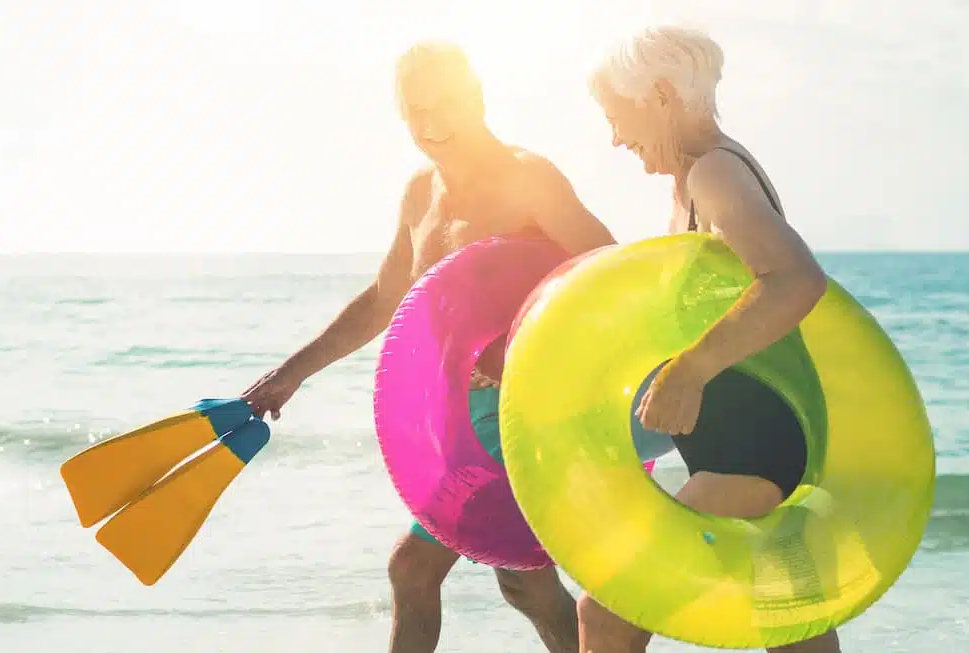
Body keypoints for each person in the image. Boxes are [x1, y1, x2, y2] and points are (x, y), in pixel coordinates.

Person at [240, 41, 618, 653]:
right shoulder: (421, 192)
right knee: (523, 584)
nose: (433, 124)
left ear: (478, 96)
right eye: (417, 111)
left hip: (525, 412)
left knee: (413, 568)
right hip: (456, 415)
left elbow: (607, 276)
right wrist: (291, 374)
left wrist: (514, 348)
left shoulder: (528, 178)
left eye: (447, 105)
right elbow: (387, 299)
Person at [576, 25, 842, 653]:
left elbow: (796, 281)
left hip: (750, 449)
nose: (615, 137)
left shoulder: (716, 174)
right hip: (748, 441)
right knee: (792, 630)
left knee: (606, 610)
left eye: (618, 117)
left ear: (662, 94)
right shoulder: (704, 173)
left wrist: (690, 371)